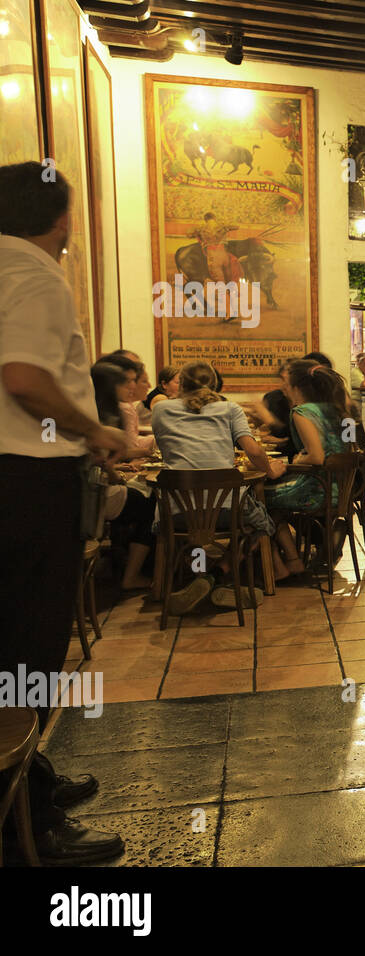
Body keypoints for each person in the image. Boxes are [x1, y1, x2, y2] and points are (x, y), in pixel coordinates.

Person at [0, 160, 127, 863]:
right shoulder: (35, 270)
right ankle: (30, 826)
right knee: (27, 649)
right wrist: (96, 430)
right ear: (60, 220)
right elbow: (24, 377)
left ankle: (29, 779)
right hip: (24, 483)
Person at [152, 362, 303, 605]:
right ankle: (217, 575)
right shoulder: (229, 409)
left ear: (182, 385)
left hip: (175, 511)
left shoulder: (161, 410)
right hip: (226, 509)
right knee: (261, 525)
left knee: (192, 533)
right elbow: (253, 450)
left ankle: (197, 578)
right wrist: (270, 471)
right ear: (213, 385)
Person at [90, 362, 158, 591]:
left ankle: (121, 560)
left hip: (91, 491)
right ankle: (132, 576)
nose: (131, 386)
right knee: (151, 506)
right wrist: (116, 474)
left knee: (138, 497)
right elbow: (100, 460)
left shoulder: (93, 409)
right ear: (111, 386)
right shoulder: (105, 415)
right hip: (95, 495)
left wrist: (115, 470)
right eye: (125, 382)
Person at [264, 359, 349, 515]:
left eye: (286, 383)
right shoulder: (339, 408)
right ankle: (323, 534)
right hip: (345, 489)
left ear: (295, 388)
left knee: (257, 498)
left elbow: (317, 457)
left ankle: (288, 539)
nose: (283, 388)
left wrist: (299, 460)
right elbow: (348, 448)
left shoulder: (302, 412)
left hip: (320, 490)